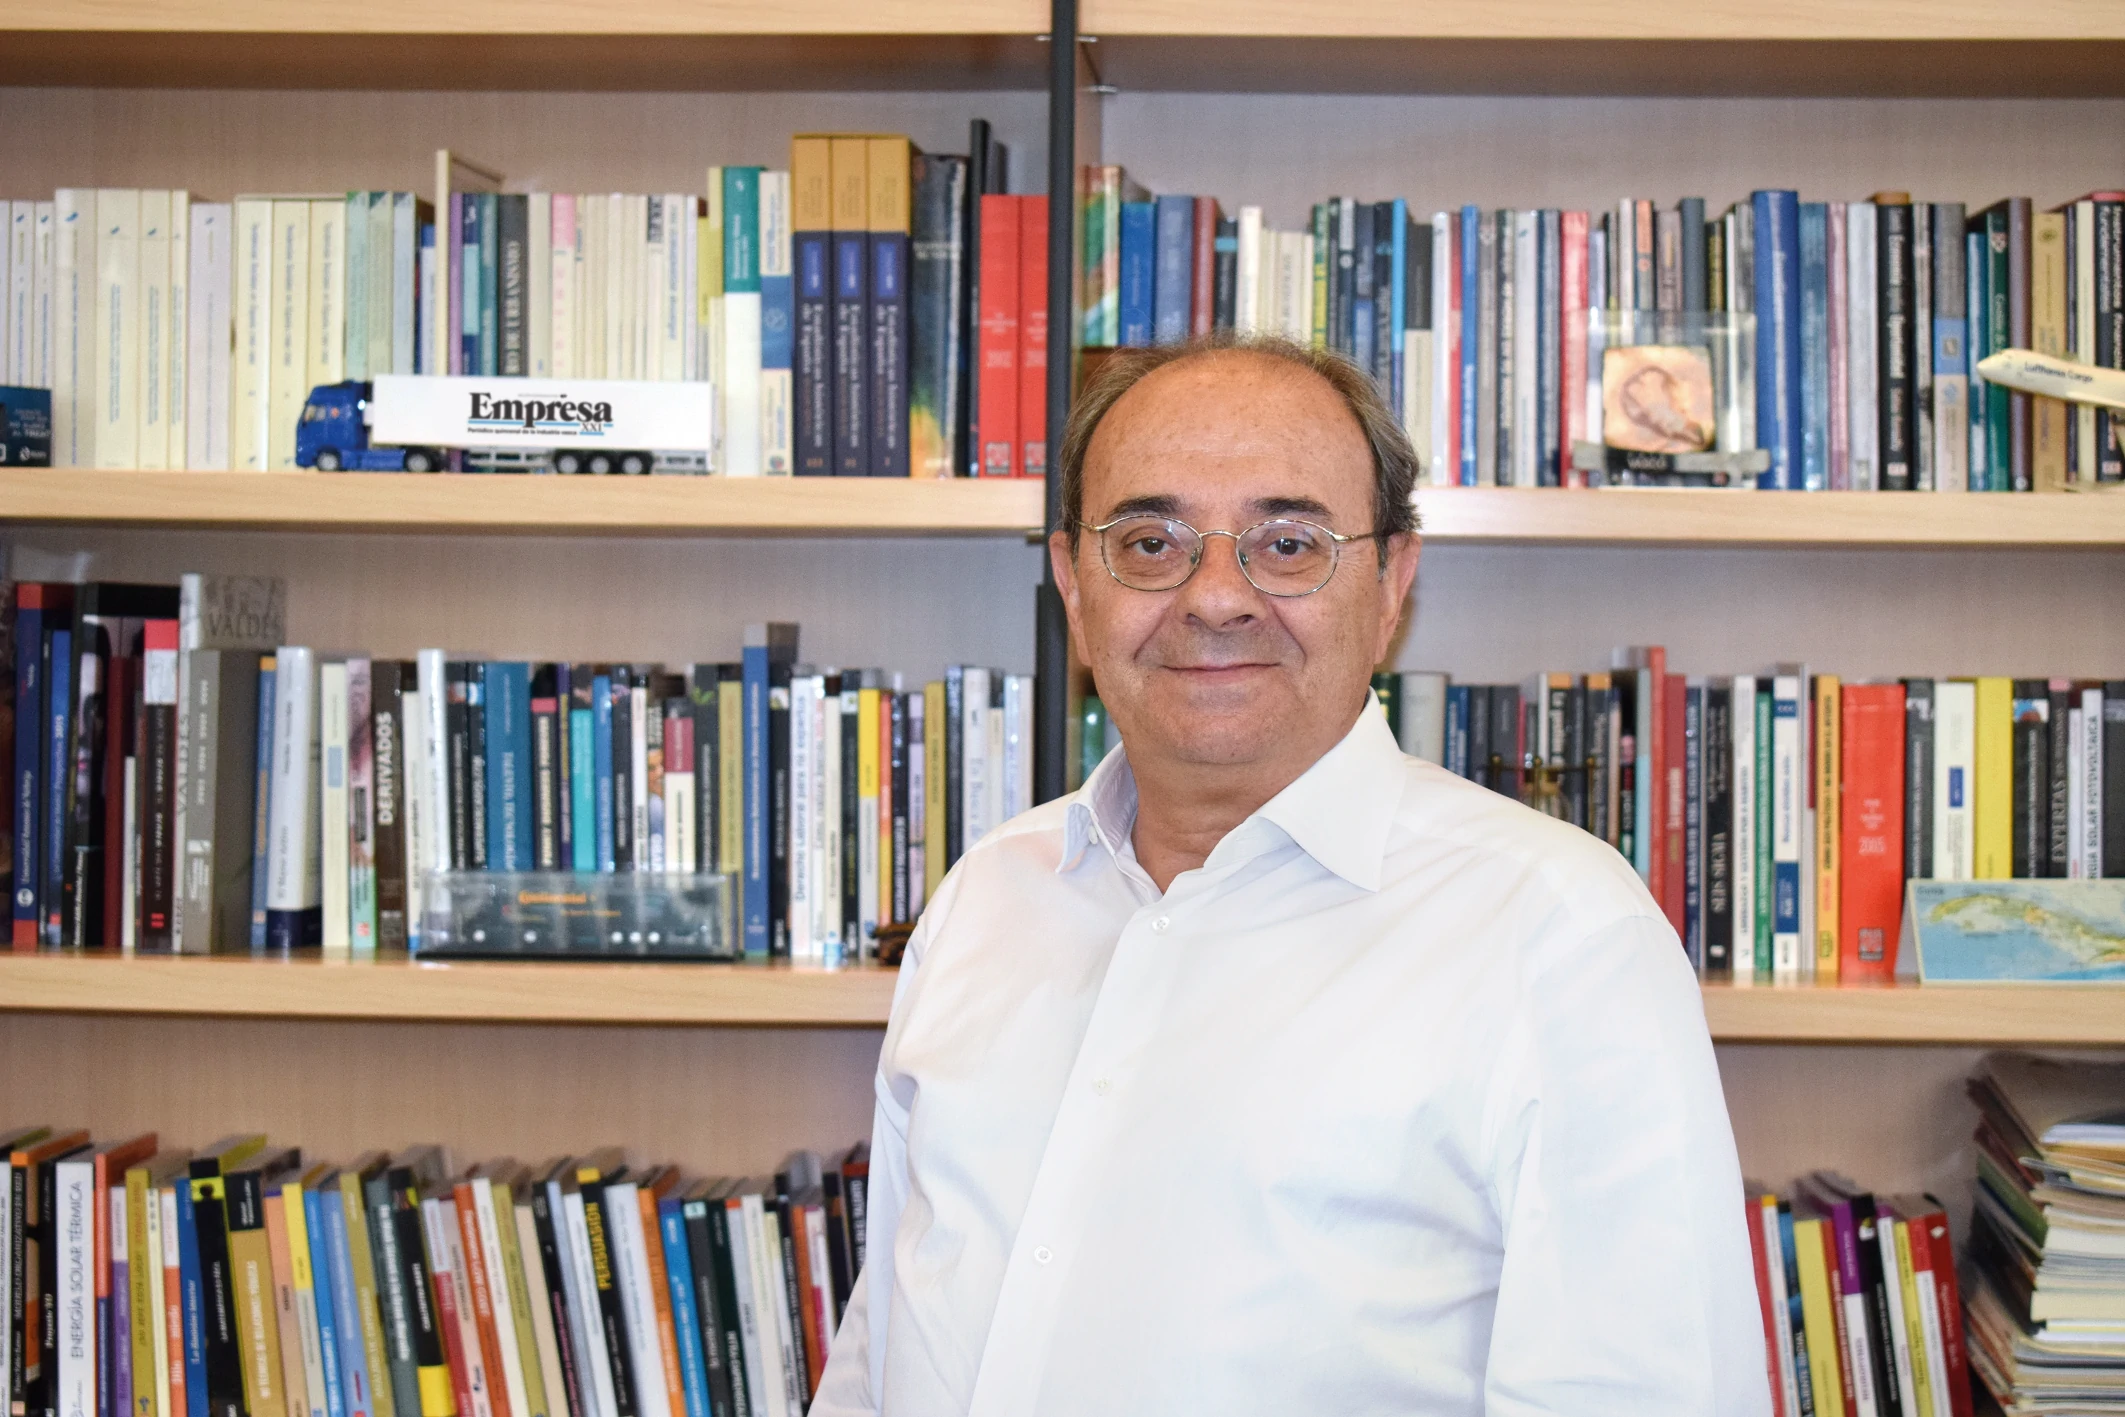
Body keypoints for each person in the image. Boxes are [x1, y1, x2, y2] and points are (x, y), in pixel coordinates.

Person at [811, 334, 1767, 1416]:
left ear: (1391, 582)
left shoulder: (1561, 935)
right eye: (1150, 542)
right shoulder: (987, 896)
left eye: (1288, 543)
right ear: (1073, 585)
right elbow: (886, 1344)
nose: (1216, 597)